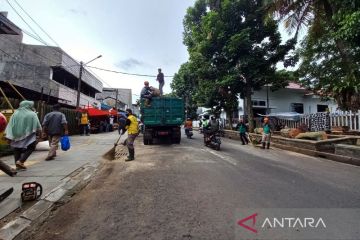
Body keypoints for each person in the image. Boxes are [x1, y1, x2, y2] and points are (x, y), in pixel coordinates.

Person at [4, 101, 42, 170]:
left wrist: (8, 136)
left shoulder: (15, 113)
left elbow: (10, 125)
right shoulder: (32, 114)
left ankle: (17, 165)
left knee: (16, 148)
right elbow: (38, 125)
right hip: (28, 134)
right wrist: (40, 134)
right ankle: (21, 161)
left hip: (16, 134)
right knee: (31, 147)